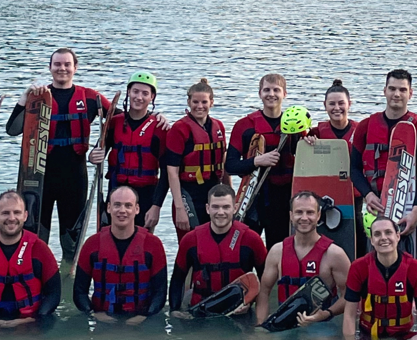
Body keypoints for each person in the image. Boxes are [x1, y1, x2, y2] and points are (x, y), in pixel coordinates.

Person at [5, 47, 110, 260]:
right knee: (36, 240)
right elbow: (12, 130)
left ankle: (68, 282)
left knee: (71, 242)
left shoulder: (90, 98)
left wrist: (101, 149)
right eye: (57, 64)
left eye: (67, 64)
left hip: (74, 178)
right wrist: (24, 98)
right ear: (50, 68)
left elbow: (122, 122)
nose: (62, 69)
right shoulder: (38, 97)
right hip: (41, 179)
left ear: (75, 68)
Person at [350, 69, 417, 254]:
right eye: (392, 89)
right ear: (384, 91)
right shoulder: (365, 126)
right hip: (375, 205)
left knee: (407, 262)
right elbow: (354, 169)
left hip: (408, 208)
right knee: (372, 261)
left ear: (410, 93)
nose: (397, 94)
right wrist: (367, 195)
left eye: (402, 90)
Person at [0, 190, 61, 325]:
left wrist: (37, 318)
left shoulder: (40, 249)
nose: (12, 218)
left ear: (25, 216)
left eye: (17, 212)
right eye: (5, 213)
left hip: (32, 323)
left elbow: (54, 293)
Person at [168, 184, 268, 318]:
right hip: (200, 312)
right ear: (207, 209)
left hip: (239, 311)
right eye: (215, 207)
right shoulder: (190, 240)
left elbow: (266, 282)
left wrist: (251, 301)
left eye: (226, 207)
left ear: (235, 208)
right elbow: (177, 279)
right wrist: (174, 311)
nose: (220, 212)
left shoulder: (252, 239)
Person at [73, 185, 168, 324]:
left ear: (137, 209)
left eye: (128, 205)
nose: (122, 211)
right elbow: (79, 291)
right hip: (102, 318)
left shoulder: (153, 245)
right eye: (117, 205)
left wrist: (144, 316)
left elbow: (160, 292)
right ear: (109, 208)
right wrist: (93, 314)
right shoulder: (92, 244)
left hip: (142, 319)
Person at [342, 216, 417, 340]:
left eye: (388, 232)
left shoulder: (416, 269)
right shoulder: (358, 267)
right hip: (367, 333)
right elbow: (349, 313)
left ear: (398, 236)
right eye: (377, 234)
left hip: (404, 333)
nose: (383, 238)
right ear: (372, 240)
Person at [255, 191, 352, 326]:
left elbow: (351, 296)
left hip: (322, 324)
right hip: (285, 321)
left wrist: (327, 314)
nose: (304, 218)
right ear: (291, 215)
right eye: (299, 212)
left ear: (318, 215)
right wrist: (261, 325)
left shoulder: (334, 254)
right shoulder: (277, 251)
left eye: (310, 212)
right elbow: (264, 292)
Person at [225, 73, 298, 248]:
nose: (271, 94)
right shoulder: (245, 125)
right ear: (259, 93)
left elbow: (305, 159)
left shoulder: (295, 125)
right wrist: (257, 161)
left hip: (283, 199)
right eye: (266, 90)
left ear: (284, 94)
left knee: (279, 248)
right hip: (254, 199)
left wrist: (311, 141)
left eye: (276, 90)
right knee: (247, 248)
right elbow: (230, 165)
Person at [88, 71, 168, 230]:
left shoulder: (159, 128)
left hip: (146, 194)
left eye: (145, 93)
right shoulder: (114, 122)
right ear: (128, 93)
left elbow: (167, 172)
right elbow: (97, 152)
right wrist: (93, 157)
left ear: (152, 97)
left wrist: (156, 206)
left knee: (142, 243)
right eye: (135, 91)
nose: (139, 97)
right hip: (116, 189)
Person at [166, 78, 229, 240]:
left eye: (204, 102)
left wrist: (231, 195)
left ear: (212, 103)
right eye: (195, 102)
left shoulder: (219, 126)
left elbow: (224, 163)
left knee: (214, 241)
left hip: (213, 191)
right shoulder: (179, 129)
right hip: (188, 193)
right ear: (188, 102)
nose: (199, 106)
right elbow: (172, 172)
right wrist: (179, 207)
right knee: (191, 243)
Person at [308, 79, 365, 253]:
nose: (337, 108)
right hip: (326, 191)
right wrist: (308, 142)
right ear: (325, 105)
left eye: (341, 103)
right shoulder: (317, 132)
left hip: (353, 192)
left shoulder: (361, 130)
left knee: (355, 227)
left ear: (350, 104)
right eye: (332, 104)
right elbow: (303, 158)